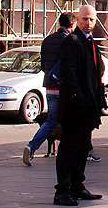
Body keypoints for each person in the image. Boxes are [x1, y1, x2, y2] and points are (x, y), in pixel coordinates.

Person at [54, 4, 105, 206]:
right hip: (75, 106)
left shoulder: (91, 42)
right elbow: (69, 73)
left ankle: (77, 185)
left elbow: (96, 72)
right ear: (77, 20)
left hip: (89, 106)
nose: (88, 22)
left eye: (92, 19)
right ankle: (62, 190)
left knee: (83, 147)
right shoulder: (72, 41)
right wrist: (79, 97)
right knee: (69, 147)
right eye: (84, 19)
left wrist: (96, 100)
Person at [23, 13, 76, 166]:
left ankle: (31, 146)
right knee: (71, 120)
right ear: (72, 25)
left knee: (51, 121)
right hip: (66, 88)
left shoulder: (47, 40)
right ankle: (72, 152)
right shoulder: (71, 40)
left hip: (50, 86)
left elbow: (43, 65)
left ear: (59, 23)